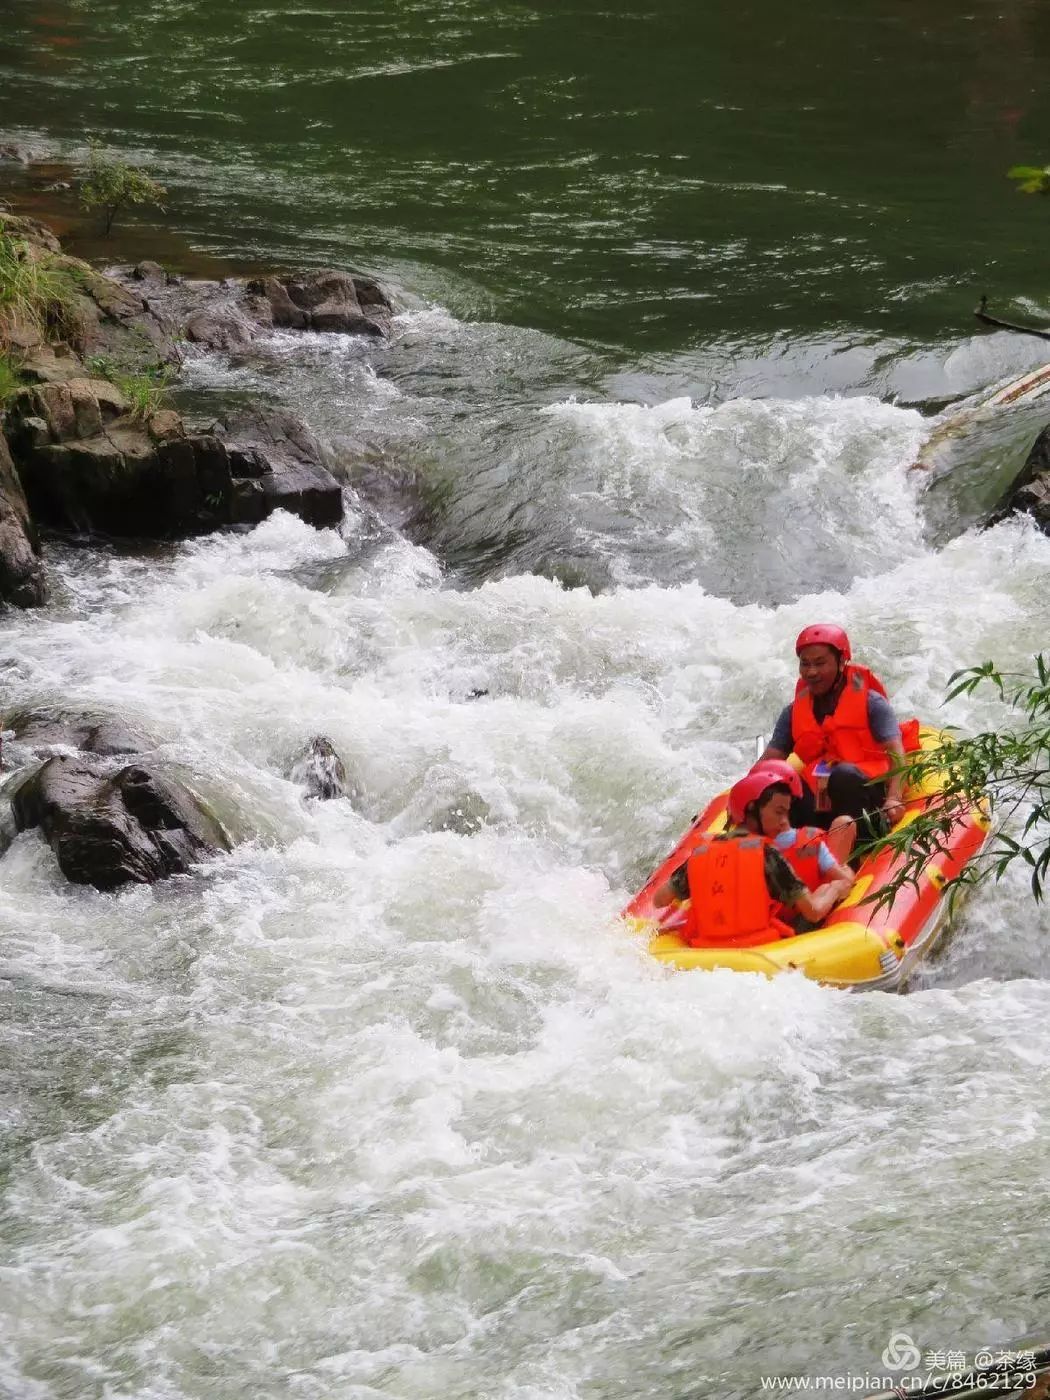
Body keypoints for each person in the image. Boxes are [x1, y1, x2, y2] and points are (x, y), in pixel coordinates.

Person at [653, 767, 854, 947]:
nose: (784, 822)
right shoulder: (768, 855)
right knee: (826, 889)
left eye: (786, 814)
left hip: (705, 948)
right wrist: (836, 888)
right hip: (757, 950)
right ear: (751, 810)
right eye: (778, 812)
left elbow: (660, 900)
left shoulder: (701, 853)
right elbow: (812, 912)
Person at [759, 624, 913, 842]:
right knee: (781, 778)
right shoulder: (793, 711)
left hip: (866, 801)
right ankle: (799, 849)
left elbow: (896, 752)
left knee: (843, 776)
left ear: (841, 662)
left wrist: (894, 798)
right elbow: (770, 761)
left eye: (820, 663)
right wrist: (746, 798)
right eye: (805, 664)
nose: (811, 672)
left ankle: (862, 848)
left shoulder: (871, 703)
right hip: (820, 805)